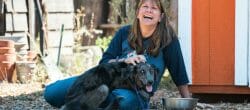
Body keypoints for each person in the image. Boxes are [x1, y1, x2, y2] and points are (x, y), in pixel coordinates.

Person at [43, 0, 191, 109]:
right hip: (102, 82)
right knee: (52, 93)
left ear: (160, 17)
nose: (149, 10)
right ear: (138, 13)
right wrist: (124, 60)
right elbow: (104, 63)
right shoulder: (123, 33)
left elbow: (179, 74)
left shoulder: (168, 39)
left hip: (132, 93)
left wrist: (188, 102)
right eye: (145, 6)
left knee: (124, 102)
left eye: (154, 8)